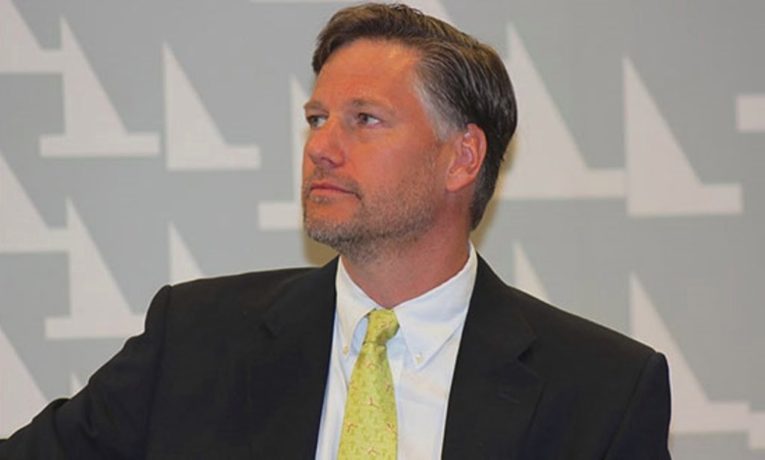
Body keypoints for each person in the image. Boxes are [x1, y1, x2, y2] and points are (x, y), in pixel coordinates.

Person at [0, 3, 671, 459]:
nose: (321, 148)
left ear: (462, 157)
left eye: (364, 120)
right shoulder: (196, 340)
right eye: (317, 119)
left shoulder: (601, 390)